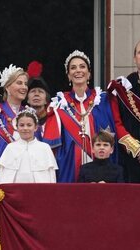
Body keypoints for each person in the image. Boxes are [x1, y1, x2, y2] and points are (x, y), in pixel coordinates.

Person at [44, 50, 118, 182]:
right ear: (68, 75)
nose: (78, 70)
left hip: (100, 167)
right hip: (69, 167)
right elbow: (51, 148)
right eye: (73, 68)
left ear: (89, 73)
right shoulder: (59, 104)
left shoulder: (103, 100)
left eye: (82, 66)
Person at [107, 40, 140, 183]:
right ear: (134, 58)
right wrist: (138, 150)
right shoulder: (122, 88)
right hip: (131, 161)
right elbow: (117, 123)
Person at [0, 107, 58, 184]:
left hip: (38, 192)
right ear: (17, 127)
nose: (25, 128)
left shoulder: (45, 148)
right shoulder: (10, 148)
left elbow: (51, 176)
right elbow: (2, 175)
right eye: (22, 125)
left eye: (29, 125)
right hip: (15, 192)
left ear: (35, 127)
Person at [26, 61, 51, 140]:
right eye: (33, 91)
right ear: (27, 100)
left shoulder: (53, 120)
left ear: (46, 100)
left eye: (40, 92)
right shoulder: (21, 119)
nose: (36, 94)